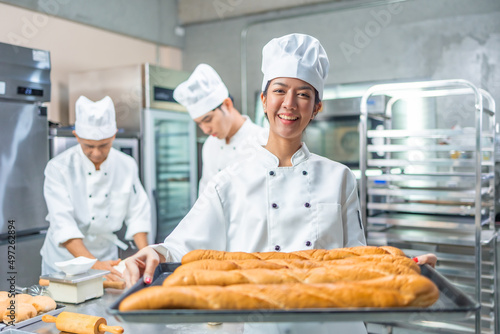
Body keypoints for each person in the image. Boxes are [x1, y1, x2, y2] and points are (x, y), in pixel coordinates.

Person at [124, 34, 436, 333]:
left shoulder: (340, 178)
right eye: (279, 90)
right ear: (263, 100)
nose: (289, 103)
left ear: (316, 108)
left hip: (334, 323)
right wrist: (156, 254)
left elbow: (357, 259)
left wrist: (407, 265)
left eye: (303, 94)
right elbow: (185, 244)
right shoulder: (229, 182)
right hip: (261, 324)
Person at [40, 96, 151, 281]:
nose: (97, 153)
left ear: (114, 135)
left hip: (106, 258)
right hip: (65, 262)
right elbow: (63, 224)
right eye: (89, 146)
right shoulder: (58, 168)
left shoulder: (126, 165)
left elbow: (138, 213)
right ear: (76, 136)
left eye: (104, 145)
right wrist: (93, 264)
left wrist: (145, 253)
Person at [173, 63, 264, 194]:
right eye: (199, 123)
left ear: (227, 104)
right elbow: (205, 194)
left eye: (208, 119)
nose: (205, 130)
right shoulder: (210, 145)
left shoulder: (263, 141)